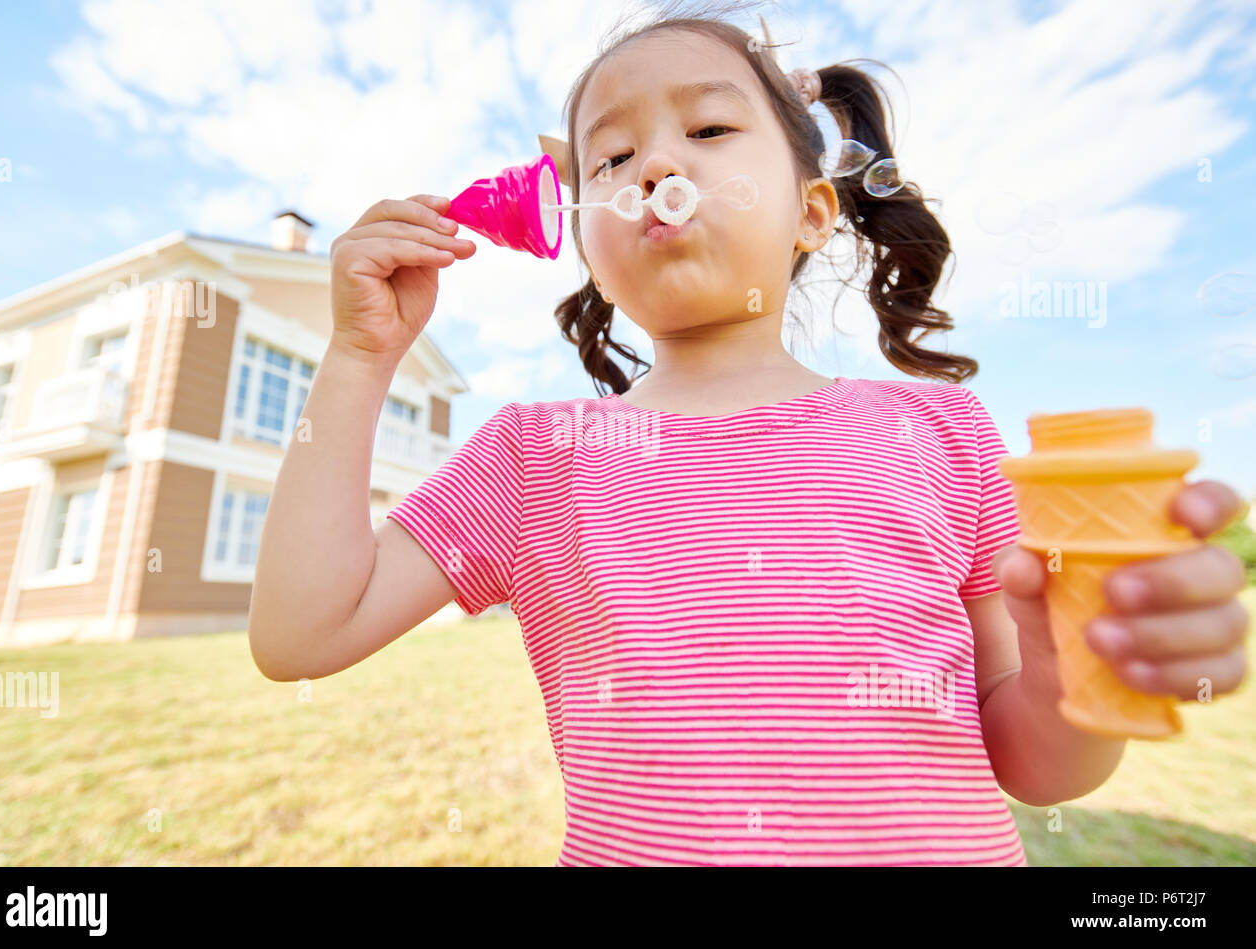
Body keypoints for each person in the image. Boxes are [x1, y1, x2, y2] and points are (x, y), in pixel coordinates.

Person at [248, 5, 1250, 866]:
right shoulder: (532, 455)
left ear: (814, 211)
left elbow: (1031, 766)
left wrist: (1079, 664)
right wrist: (356, 358)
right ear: (587, 240)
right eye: (612, 155)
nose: (657, 165)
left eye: (710, 126)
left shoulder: (940, 432)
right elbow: (301, 632)